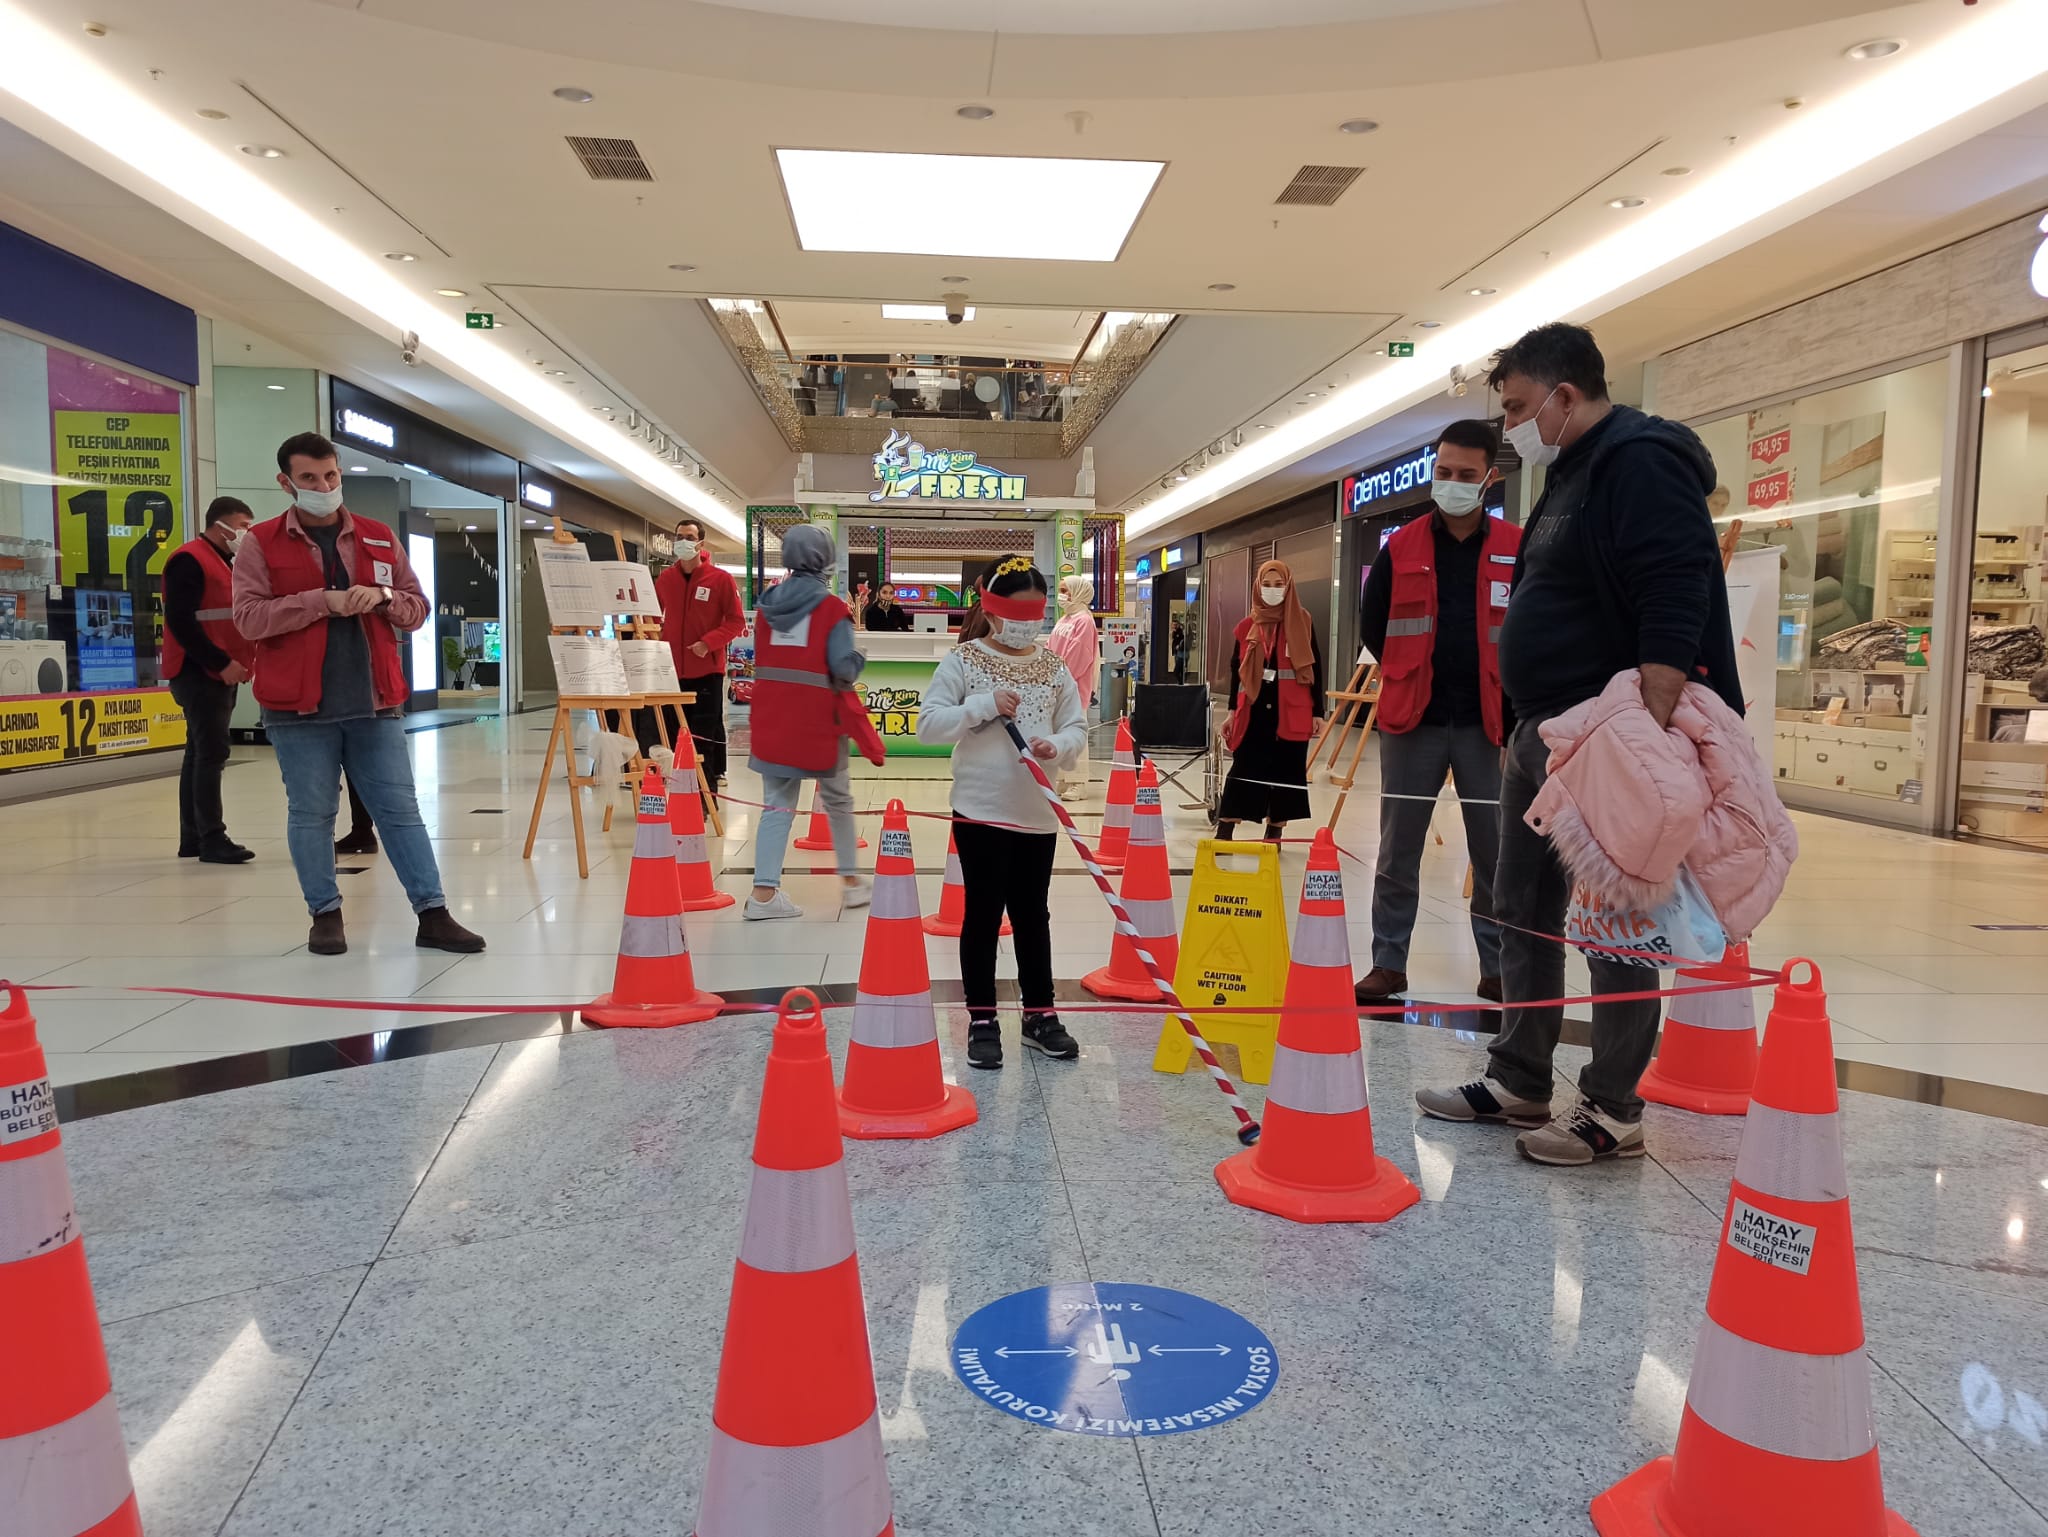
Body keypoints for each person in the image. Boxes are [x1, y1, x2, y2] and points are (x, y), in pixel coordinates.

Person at [1417, 322, 1741, 1167]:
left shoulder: (1641, 461)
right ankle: (1519, 1073)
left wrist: (1646, 742)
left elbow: (1676, 594)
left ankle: (1612, 1104)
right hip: (1543, 730)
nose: (1512, 425)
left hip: (1609, 735)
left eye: (1518, 406)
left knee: (1613, 919)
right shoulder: (1569, 471)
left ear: (1564, 395)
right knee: (1520, 903)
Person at [232, 432, 486, 958]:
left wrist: (386, 597)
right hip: (297, 707)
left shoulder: (376, 536)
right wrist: (320, 602)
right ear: (286, 483)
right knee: (312, 814)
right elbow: (249, 618)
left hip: (375, 701)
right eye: (308, 478)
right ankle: (325, 915)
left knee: (400, 811)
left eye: (330, 475)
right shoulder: (260, 542)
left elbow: (417, 608)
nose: (323, 486)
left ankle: (433, 914)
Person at [1354, 420, 1520, 1008]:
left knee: (1495, 851)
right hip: (1413, 719)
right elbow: (1373, 624)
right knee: (1397, 848)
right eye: (1443, 472)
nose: (1452, 482)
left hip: (1489, 722)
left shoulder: (1516, 547)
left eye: (1465, 474)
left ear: (1489, 478)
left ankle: (1498, 968)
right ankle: (1387, 963)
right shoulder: (1400, 547)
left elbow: (1530, 629)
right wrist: (1406, 670)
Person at [917, 558, 1087, 1070]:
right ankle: (982, 1018)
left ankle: (1040, 1014)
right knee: (984, 914)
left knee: (1033, 914)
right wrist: (983, 706)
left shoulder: (1054, 666)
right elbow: (928, 725)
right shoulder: (964, 660)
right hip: (981, 810)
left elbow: (1077, 727)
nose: (1025, 624)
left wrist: (1058, 746)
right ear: (990, 611)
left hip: (1037, 811)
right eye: (1015, 614)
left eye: (1034, 614)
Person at [745, 524, 872, 919]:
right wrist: (859, 656)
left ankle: (763, 895)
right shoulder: (832, 609)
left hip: (771, 716)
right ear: (825, 559)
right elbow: (842, 669)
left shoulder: (767, 606)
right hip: (818, 720)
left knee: (777, 805)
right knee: (837, 800)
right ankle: (851, 883)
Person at [160, 495, 256, 863]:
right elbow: (181, 621)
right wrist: (221, 662)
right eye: (244, 526)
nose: (247, 534)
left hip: (214, 670)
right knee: (212, 753)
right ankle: (212, 838)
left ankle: (194, 838)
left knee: (199, 753)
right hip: (199, 671)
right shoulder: (189, 559)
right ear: (221, 526)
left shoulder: (223, 563)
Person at [1217, 560, 1324, 841]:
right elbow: (1236, 672)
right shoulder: (1246, 627)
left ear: (1288, 587)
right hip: (1253, 712)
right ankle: (1225, 831)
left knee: (1287, 773)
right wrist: (1231, 711)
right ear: (1258, 586)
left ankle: (1274, 833)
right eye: (1267, 584)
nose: (1272, 590)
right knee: (1243, 769)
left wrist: (1318, 712)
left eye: (1278, 585)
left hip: (1292, 710)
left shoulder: (1302, 621)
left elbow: (1316, 666)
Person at [652, 518, 745, 790]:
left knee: (703, 736)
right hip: (672, 671)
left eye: (690, 537)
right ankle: (679, 790)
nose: (683, 542)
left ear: (701, 543)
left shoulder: (720, 579)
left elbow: (735, 621)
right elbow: (653, 615)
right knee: (674, 734)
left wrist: (708, 643)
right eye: (679, 537)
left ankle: (706, 794)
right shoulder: (666, 579)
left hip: (707, 671)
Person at [1043, 574, 1099, 801]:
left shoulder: (1084, 621)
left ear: (1078, 592)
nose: (1062, 595)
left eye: (1066, 591)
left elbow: (1079, 656)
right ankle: (1063, 779)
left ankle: (1078, 782)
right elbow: (1050, 647)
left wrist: (1061, 679)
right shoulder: (1064, 619)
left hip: (1073, 687)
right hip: (1055, 685)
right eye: (1061, 590)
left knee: (1075, 733)